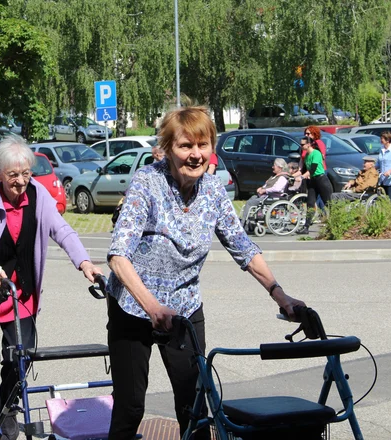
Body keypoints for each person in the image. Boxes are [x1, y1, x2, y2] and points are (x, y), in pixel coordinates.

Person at [106, 106, 305, 439]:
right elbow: (118, 256)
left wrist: (281, 296)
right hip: (133, 307)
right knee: (130, 407)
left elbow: (243, 247)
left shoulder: (213, 191)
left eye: (203, 145)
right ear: (168, 148)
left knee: (194, 405)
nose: (196, 154)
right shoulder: (147, 183)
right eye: (186, 146)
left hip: (185, 306)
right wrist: (152, 307)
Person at [0, 136, 104, 440]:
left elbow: (62, 229)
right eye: (13, 176)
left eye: (25, 174)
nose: (20, 181)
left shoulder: (39, 195)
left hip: (21, 294)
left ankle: (8, 407)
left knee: (21, 355)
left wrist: (84, 262)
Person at [240, 158, 290, 228]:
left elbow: (277, 189)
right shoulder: (274, 176)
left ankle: (243, 223)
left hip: (272, 197)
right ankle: (248, 221)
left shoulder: (282, 178)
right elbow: (267, 185)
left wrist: (264, 190)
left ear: (280, 167)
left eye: (274, 165)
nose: (272, 167)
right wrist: (261, 188)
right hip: (265, 196)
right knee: (252, 198)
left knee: (250, 203)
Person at [299, 136, 333, 235]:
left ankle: (336, 224)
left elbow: (312, 170)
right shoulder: (307, 156)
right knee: (310, 203)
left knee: (328, 203)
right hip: (313, 181)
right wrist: (292, 176)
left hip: (321, 180)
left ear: (308, 144)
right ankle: (306, 227)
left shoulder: (316, 153)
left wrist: (301, 177)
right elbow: (303, 170)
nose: (301, 146)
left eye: (302, 144)